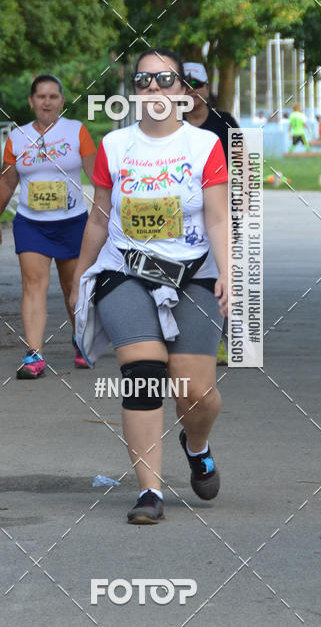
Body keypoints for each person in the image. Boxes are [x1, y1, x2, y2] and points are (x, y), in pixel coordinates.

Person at [71, 48, 228, 524]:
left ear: (183, 90)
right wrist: (81, 274)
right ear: (132, 92)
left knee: (195, 389)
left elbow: (218, 216)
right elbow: (100, 216)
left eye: (165, 81)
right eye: (143, 82)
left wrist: (229, 272)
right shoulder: (115, 146)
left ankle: (195, 444)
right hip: (126, 269)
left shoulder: (204, 145)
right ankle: (149, 493)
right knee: (144, 372)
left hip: (193, 271)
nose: (154, 90)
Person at [0, 75, 96, 377]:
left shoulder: (77, 132)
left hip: (72, 222)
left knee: (72, 288)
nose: (47, 102)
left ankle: (81, 339)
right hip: (31, 224)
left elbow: (97, 175)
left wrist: (108, 214)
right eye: (41, 97)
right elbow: (8, 181)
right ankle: (34, 354)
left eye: (53, 96)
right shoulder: (17, 137)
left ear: (62, 101)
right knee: (34, 286)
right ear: (31, 101)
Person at [182, 62, 239, 161]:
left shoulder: (225, 122)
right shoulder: (170, 123)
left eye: (195, 84)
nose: (190, 89)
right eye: (184, 85)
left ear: (207, 88)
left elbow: (245, 168)